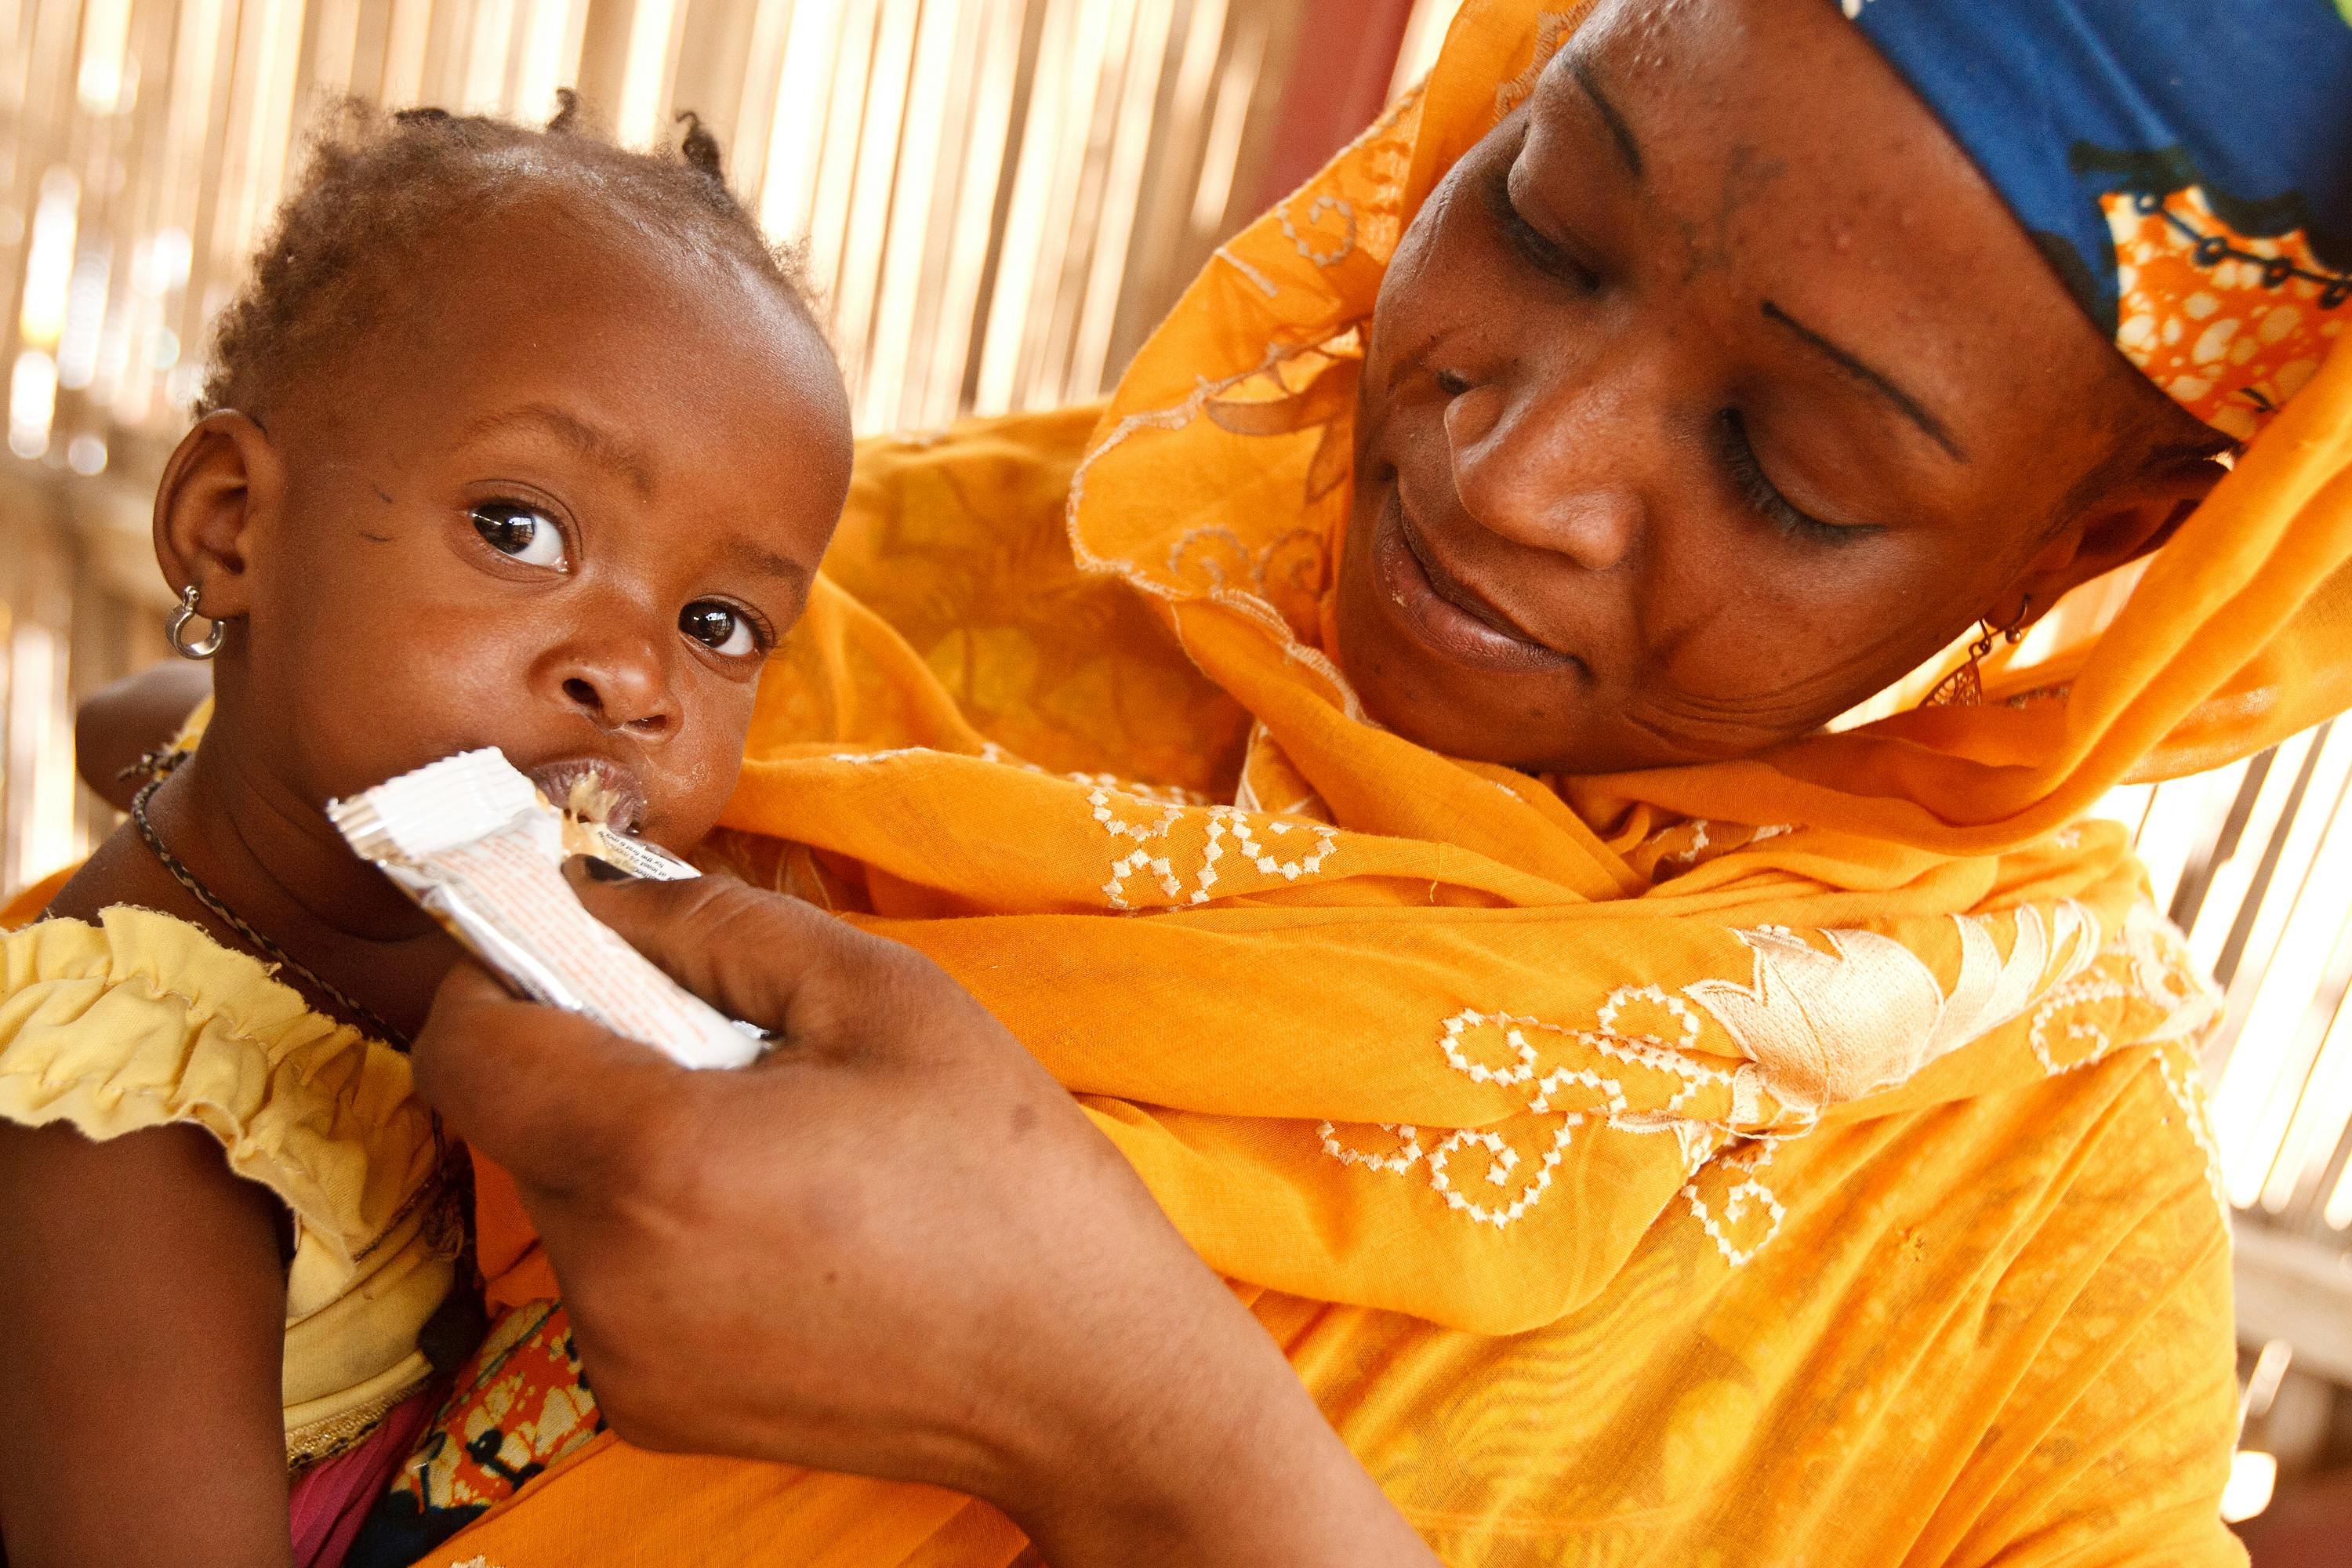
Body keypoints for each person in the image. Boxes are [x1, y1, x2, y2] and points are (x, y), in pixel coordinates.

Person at [35, 0, 2352, 1562]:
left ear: (2097, 543)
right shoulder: (902, 581)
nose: (1516, 460)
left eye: (1791, 464)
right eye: (1540, 218)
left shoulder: (2023, 1263)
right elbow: (169, 958)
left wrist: (1137, 1439)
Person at [0, 101, 855, 1568]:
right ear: (229, 529)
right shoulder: (140, 1142)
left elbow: (153, 710)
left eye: (718, 625)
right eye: (522, 531)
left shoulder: (348, 842)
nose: (636, 678)